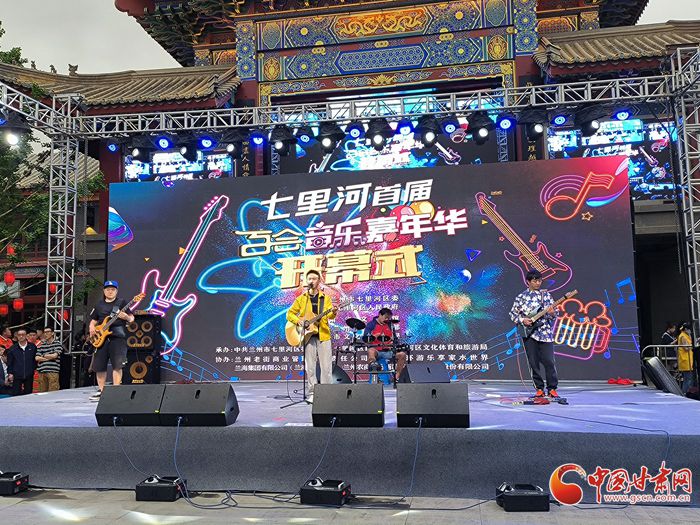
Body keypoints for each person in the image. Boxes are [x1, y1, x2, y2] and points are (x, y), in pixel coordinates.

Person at [286, 269, 337, 403]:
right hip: (308, 336)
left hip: (323, 335)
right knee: (310, 367)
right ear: (306, 281)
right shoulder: (301, 298)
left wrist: (334, 312)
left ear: (319, 281)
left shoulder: (325, 298)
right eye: (309, 279)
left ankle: (326, 394)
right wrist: (299, 321)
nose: (311, 281)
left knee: (326, 367)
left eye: (314, 279)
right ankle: (313, 393)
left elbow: (330, 315)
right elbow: (290, 314)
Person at [509, 270, 560, 398]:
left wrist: (552, 313)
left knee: (549, 361)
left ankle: (552, 388)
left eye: (540, 281)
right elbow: (513, 314)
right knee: (533, 362)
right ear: (528, 282)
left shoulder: (546, 295)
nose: (538, 283)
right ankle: (539, 388)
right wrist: (523, 320)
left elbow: (555, 313)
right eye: (535, 281)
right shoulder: (521, 297)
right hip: (529, 333)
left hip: (545, 333)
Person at [88, 280, 135, 402]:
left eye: (112, 289)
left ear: (116, 291)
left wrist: (125, 316)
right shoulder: (99, 304)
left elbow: (131, 318)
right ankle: (101, 391)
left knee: (117, 365)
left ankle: (116, 390)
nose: (110, 291)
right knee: (99, 366)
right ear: (104, 291)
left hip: (117, 337)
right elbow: (93, 320)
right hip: (101, 338)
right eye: (108, 289)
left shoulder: (122, 302)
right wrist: (91, 327)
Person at [365, 308, 407, 380]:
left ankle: (396, 377)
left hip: (388, 351)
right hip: (376, 351)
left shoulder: (390, 325)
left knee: (402, 355)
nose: (387, 319)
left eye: (388, 318)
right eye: (386, 317)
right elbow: (366, 339)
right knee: (371, 351)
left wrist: (393, 343)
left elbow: (395, 340)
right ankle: (375, 372)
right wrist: (374, 336)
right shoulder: (371, 324)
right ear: (380, 315)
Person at [6, 329, 38, 396]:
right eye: (19, 335)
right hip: (16, 375)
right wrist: (10, 373)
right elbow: (10, 362)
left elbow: (35, 360)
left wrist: (32, 369)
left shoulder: (33, 347)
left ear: (26, 336)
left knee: (28, 395)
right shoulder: (12, 349)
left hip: (29, 375)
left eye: (23, 335)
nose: (21, 336)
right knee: (16, 395)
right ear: (17, 336)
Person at [35, 326, 62, 392]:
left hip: (52, 371)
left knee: (53, 392)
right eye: (44, 332)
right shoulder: (42, 345)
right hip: (41, 371)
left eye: (48, 332)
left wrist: (43, 355)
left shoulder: (57, 343)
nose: (46, 334)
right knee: (42, 392)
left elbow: (55, 355)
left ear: (52, 333)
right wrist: (49, 357)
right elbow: (37, 358)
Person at [677, 322, 696, 395]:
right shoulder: (683, 336)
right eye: (689, 329)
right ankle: (685, 392)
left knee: (688, 378)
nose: (690, 331)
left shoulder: (686, 335)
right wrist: (692, 346)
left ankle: (687, 392)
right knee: (688, 378)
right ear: (686, 329)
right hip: (685, 359)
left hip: (688, 359)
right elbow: (686, 348)